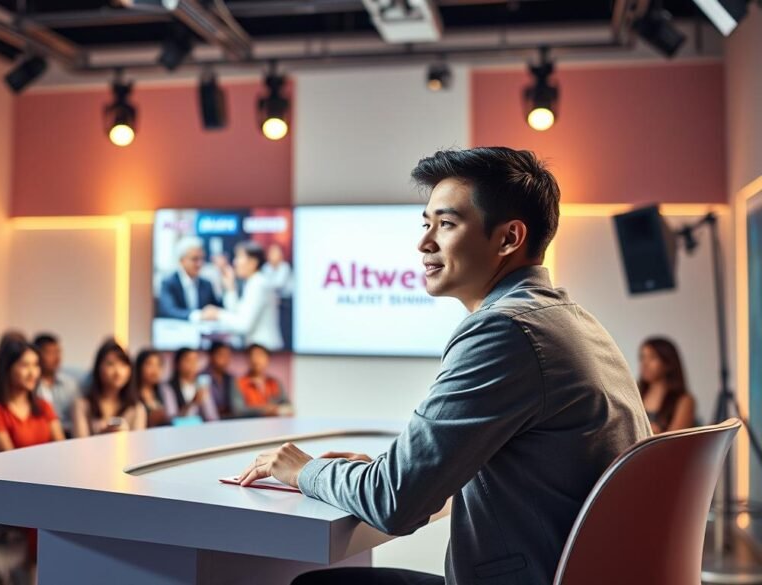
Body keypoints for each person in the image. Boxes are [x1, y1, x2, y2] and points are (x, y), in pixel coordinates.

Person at [236, 147, 651, 585]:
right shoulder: (570, 318)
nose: (424, 243)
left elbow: (393, 504)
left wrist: (304, 470)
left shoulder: (505, 331)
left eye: (447, 224)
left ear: (509, 238)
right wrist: (391, 474)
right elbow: (414, 488)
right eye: (426, 224)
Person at [0, 339, 65, 585]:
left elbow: (62, 449)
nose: (32, 372)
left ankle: (33, 567)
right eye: (25, 365)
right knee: (49, 504)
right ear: (8, 369)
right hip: (8, 488)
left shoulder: (44, 407)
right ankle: (35, 569)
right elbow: (11, 462)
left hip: (44, 484)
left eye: (36, 365)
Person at [215, 241, 284, 350]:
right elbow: (237, 313)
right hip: (259, 350)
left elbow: (243, 325)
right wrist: (230, 289)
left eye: (239, 257)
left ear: (253, 262)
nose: (235, 262)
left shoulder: (258, 284)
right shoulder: (252, 282)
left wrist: (217, 314)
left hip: (265, 352)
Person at [73, 340, 147, 437]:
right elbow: (79, 445)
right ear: (98, 367)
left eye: (123, 365)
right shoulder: (82, 405)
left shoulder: (137, 408)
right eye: (110, 364)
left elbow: (138, 446)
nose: (118, 372)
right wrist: (103, 434)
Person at [638, 337, 696, 434]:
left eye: (652, 357)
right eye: (642, 357)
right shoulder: (636, 394)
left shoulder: (684, 400)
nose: (645, 364)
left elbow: (674, 441)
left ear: (668, 363)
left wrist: (653, 433)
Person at [157, 237, 221, 321]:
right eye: (195, 259)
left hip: (203, 331)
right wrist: (198, 316)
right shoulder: (169, 282)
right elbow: (169, 311)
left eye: (202, 259)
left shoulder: (206, 284)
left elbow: (218, 309)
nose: (200, 264)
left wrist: (228, 289)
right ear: (181, 261)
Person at [33, 333, 81, 436]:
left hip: (69, 435)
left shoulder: (70, 384)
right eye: (50, 353)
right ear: (37, 355)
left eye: (58, 352)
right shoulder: (31, 385)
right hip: (42, 436)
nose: (57, 358)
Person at [234, 344, 292, 418]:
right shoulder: (238, 382)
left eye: (259, 355)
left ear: (267, 359)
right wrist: (264, 410)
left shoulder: (274, 382)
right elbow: (238, 410)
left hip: (274, 426)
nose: (255, 359)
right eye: (251, 355)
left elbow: (288, 406)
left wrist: (279, 410)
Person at [163, 348, 219, 423]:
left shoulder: (201, 384)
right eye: (188, 360)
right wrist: (193, 403)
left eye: (195, 360)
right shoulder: (168, 387)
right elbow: (172, 418)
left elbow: (211, 416)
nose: (193, 364)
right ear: (177, 364)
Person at [200, 341, 239, 418]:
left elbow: (235, 405)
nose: (225, 359)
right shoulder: (202, 377)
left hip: (230, 419)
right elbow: (204, 405)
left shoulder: (231, 378)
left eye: (228, 356)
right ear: (211, 355)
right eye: (221, 355)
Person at [134, 349, 171, 427]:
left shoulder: (164, 391)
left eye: (158, 365)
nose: (155, 370)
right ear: (139, 366)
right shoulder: (132, 393)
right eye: (149, 364)